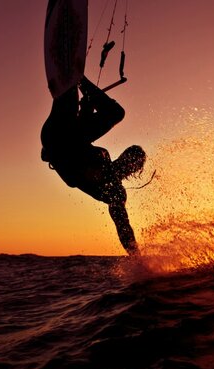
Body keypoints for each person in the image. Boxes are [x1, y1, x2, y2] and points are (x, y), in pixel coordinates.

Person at [41, 77, 146, 255]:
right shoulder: (105, 158)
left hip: (57, 142)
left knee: (112, 112)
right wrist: (87, 109)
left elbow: (123, 225)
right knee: (107, 110)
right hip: (65, 135)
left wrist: (136, 256)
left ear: (132, 171)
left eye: (132, 162)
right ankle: (75, 77)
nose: (126, 160)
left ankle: (76, 78)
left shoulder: (115, 192)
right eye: (128, 155)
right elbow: (81, 140)